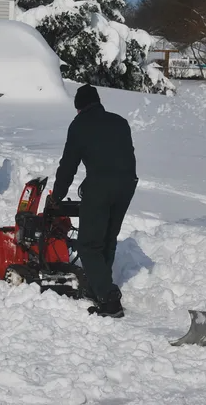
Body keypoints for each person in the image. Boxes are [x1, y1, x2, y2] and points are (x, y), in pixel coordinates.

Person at [48, 84, 138, 318]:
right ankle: (100, 287)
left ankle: (108, 300)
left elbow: (68, 166)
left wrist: (56, 196)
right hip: (128, 184)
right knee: (107, 238)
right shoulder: (120, 122)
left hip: (101, 186)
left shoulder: (79, 125)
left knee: (89, 245)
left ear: (79, 108)